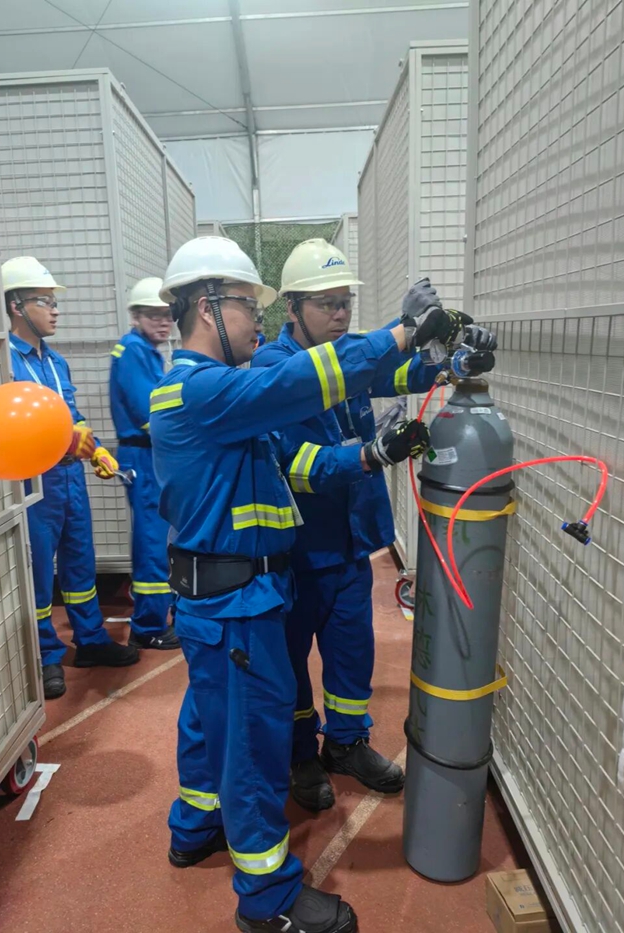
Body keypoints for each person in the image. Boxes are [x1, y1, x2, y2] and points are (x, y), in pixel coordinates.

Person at [149, 235, 473, 933]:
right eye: (247, 304)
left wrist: (372, 451)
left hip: (225, 598)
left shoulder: (216, 397)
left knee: (211, 722)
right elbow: (303, 381)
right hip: (235, 603)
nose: (258, 320)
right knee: (251, 747)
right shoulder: (204, 390)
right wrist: (401, 332)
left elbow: (296, 463)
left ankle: (195, 825)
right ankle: (268, 902)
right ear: (208, 307)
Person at [253, 239, 497, 812]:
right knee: (290, 661)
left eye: (345, 303)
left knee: (351, 652)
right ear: (292, 307)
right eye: (326, 304)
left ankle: (345, 744)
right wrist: (371, 454)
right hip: (298, 551)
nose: (340, 314)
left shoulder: (350, 356)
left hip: (350, 543)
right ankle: (300, 753)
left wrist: (455, 362)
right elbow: (297, 466)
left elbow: (402, 372)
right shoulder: (272, 368)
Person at [3, 256, 139, 700]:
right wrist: (63, 441)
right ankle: (46, 655)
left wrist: (94, 448)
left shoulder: (56, 362)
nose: (55, 310)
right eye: (45, 301)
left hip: (69, 478)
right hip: (34, 482)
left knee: (80, 562)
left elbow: (71, 417)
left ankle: (91, 640)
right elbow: (12, 427)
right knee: (40, 571)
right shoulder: (5, 363)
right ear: (16, 306)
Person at [109, 278, 180, 650]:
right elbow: (149, 411)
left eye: (167, 315)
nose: (163, 322)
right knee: (153, 539)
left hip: (150, 454)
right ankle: (149, 624)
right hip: (144, 454)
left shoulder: (144, 349)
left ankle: (157, 614)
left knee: (158, 534)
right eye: (154, 315)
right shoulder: (134, 351)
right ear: (136, 316)